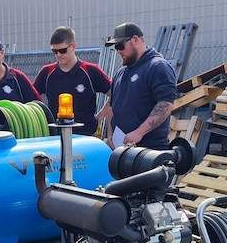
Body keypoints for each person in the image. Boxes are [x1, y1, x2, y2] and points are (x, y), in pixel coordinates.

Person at [97, 22, 177, 150]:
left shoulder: (157, 67)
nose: (118, 51)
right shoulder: (121, 72)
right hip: (121, 150)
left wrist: (139, 132)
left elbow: (166, 104)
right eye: (115, 47)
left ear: (135, 39)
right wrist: (110, 135)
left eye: (120, 46)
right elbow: (113, 106)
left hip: (149, 151)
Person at [33, 26, 111, 135]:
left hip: (85, 136)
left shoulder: (90, 71)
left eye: (62, 50)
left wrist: (100, 116)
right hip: (55, 136)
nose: (58, 55)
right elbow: (32, 100)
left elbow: (114, 93)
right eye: (54, 51)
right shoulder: (47, 72)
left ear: (73, 46)